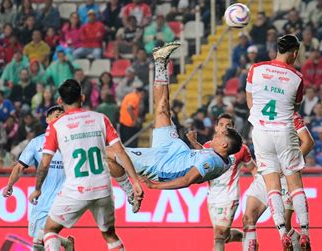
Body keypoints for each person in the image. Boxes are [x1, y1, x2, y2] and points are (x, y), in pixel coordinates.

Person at [106, 42, 243, 190]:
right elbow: (205, 155)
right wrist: (194, 144)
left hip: (160, 165)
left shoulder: (211, 162)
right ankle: (160, 61)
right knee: (163, 109)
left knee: (108, 151)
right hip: (177, 150)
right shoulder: (225, 159)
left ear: (224, 144)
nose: (218, 134)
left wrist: (154, 186)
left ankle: (128, 190)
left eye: (221, 135)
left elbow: (186, 181)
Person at [28, 80, 143, 251]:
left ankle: (65, 244)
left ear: (60, 101)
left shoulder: (56, 126)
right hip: (103, 188)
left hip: (76, 190)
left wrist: (38, 188)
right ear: (82, 97)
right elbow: (120, 151)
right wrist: (135, 181)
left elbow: (44, 164)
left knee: (49, 230)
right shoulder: (100, 119)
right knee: (110, 235)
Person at [245, 34, 311, 249]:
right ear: (294, 53)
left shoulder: (256, 69)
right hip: (283, 130)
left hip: (261, 132)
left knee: (272, 186)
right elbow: (295, 108)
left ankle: (283, 231)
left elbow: (250, 102)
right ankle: (304, 233)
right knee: (295, 185)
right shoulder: (297, 77)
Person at [3, 106, 75, 251]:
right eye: (56, 115)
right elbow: (19, 167)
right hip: (42, 199)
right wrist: (9, 185)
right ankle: (66, 243)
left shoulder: (73, 141)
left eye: (63, 115)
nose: (60, 116)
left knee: (46, 234)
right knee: (37, 242)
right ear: (48, 120)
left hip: (64, 198)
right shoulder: (36, 143)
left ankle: (64, 243)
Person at [242, 112, 314, 251]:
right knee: (247, 219)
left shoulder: (289, 114)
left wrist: (290, 163)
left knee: (285, 228)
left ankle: (299, 243)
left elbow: (308, 141)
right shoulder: (259, 110)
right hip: (265, 174)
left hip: (285, 175)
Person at [186, 113, 254, 251]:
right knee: (225, 236)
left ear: (233, 129)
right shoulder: (208, 146)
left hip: (229, 197)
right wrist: (193, 142)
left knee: (218, 237)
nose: (224, 128)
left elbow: (253, 169)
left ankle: (247, 239)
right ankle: (246, 238)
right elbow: (202, 157)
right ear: (216, 127)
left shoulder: (240, 149)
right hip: (212, 197)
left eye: (228, 125)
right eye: (221, 125)